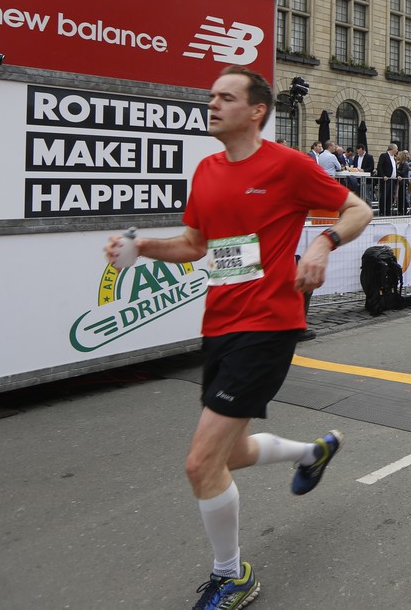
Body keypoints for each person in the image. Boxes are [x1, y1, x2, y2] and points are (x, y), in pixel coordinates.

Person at [103, 66, 373, 610]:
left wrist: (321, 243)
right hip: (220, 324)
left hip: (268, 324)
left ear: (256, 111)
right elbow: (195, 245)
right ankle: (312, 453)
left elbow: (358, 209)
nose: (212, 103)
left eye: (226, 97)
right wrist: (143, 248)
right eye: (211, 96)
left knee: (201, 464)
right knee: (230, 453)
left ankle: (232, 577)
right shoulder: (206, 170)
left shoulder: (287, 165)